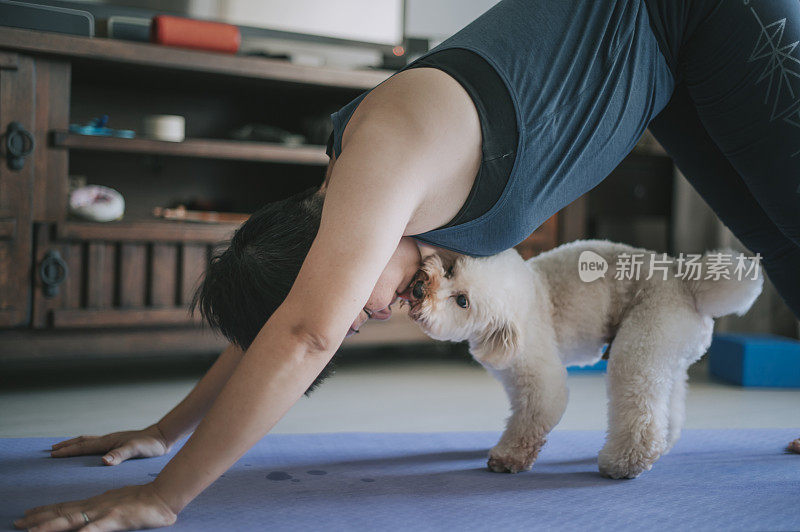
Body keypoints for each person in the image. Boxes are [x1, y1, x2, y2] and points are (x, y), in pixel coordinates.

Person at [15, 0, 800, 529]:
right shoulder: (340, 214)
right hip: (669, 61)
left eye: (359, 306)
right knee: (771, 226)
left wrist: (163, 498)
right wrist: (163, 430)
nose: (378, 312)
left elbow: (302, 332)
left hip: (700, 13)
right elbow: (286, 321)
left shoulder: (381, 159)